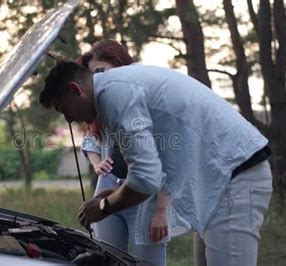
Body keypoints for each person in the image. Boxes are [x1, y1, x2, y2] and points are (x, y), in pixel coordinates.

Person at [39, 61, 273, 265]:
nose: (69, 119)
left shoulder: (114, 95)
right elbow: (152, 163)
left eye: (64, 109)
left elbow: (145, 179)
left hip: (236, 177)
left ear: (75, 89)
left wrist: (104, 207)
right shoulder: (115, 88)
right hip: (217, 183)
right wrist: (122, 190)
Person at [77, 40, 174, 265]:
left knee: (148, 261)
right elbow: (90, 138)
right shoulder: (100, 105)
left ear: (120, 65)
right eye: (94, 75)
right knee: (108, 258)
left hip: (145, 194)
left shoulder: (143, 96)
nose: (98, 80)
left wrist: (161, 210)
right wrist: (97, 162)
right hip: (107, 189)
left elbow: (166, 159)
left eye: (101, 71)